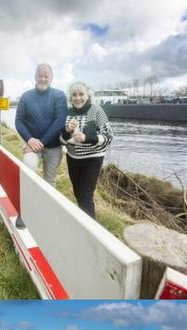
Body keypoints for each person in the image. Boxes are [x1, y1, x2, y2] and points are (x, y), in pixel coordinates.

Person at [59, 82, 114, 218]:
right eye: (74, 95)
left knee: (85, 196)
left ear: (88, 95)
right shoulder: (67, 113)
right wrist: (68, 131)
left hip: (93, 159)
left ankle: (91, 232)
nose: (78, 98)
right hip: (73, 159)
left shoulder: (96, 110)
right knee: (78, 194)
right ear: (70, 98)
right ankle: (86, 222)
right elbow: (61, 140)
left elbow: (109, 136)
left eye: (81, 94)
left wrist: (87, 137)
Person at [14, 63, 67, 186]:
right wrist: (29, 139)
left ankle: (47, 205)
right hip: (32, 145)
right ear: (35, 77)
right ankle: (29, 202)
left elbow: (59, 121)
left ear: (51, 78)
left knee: (49, 182)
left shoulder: (59, 96)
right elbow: (19, 121)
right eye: (40, 76)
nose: (43, 79)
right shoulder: (26, 97)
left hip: (53, 146)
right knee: (28, 172)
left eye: (46, 76)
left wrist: (42, 143)